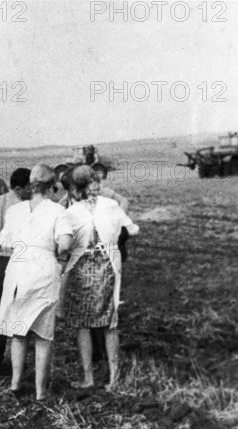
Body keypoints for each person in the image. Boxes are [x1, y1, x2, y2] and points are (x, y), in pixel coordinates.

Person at [0, 164, 73, 400]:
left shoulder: (15, 210)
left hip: (18, 270)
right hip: (42, 270)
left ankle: (15, 384)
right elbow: (66, 245)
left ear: (31, 185)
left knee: (19, 332)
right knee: (43, 335)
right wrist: (56, 249)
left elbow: (4, 243)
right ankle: (41, 392)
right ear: (52, 187)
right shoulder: (58, 212)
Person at [63, 166, 139, 389]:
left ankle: (88, 378)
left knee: (82, 324)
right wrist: (115, 237)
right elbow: (133, 229)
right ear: (94, 184)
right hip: (107, 267)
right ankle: (114, 377)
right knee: (110, 322)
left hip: (81, 270)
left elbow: (63, 244)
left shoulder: (71, 212)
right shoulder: (111, 205)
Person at [0, 168, 32, 375]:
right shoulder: (22, 207)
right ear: (18, 188)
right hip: (16, 260)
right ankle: (15, 363)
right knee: (19, 313)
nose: (32, 191)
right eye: (29, 187)